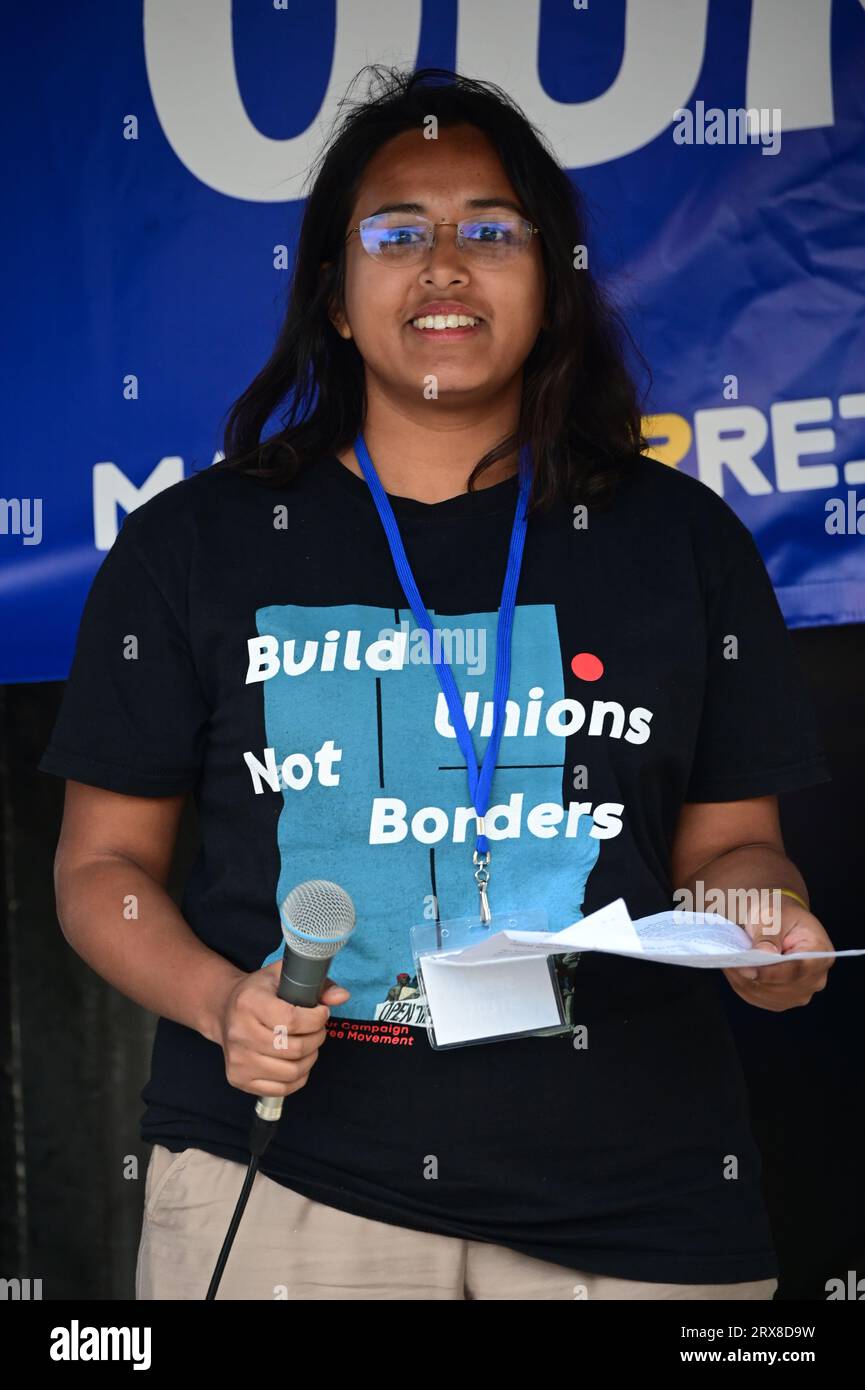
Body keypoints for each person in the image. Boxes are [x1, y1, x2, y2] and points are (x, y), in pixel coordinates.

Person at [40, 66, 835, 1301]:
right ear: (336, 298)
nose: (445, 263)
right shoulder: (193, 545)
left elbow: (735, 846)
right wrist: (217, 1004)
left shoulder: (678, 540)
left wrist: (758, 920)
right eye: (397, 232)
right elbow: (100, 873)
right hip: (288, 1179)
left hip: (635, 1191)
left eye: (490, 230)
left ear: (555, 284)